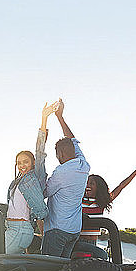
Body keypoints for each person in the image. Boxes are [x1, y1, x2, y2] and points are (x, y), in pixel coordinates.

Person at [0, 103, 57, 254]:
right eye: (19, 163)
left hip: (20, 229)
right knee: (8, 266)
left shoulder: (34, 177)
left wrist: (44, 118)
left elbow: (40, 150)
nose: (22, 165)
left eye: (25, 162)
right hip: (12, 227)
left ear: (32, 163)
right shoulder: (16, 182)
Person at [36, 99, 90, 258]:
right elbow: (72, 139)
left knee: (48, 268)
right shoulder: (83, 165)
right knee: (62, 270)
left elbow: (44, 192)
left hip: (57, 230)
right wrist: (60, 117)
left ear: (59, 155)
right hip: (73, 230)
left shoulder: (60, 173)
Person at [75, 164, 136, 258]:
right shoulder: (79, 201)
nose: (88, 186)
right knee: (103, 255)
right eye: (86, 183)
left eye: (91, 183)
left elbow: (121, 186)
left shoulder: (101, 202)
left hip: (93, 243)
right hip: (79, 241)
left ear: (98, 187)